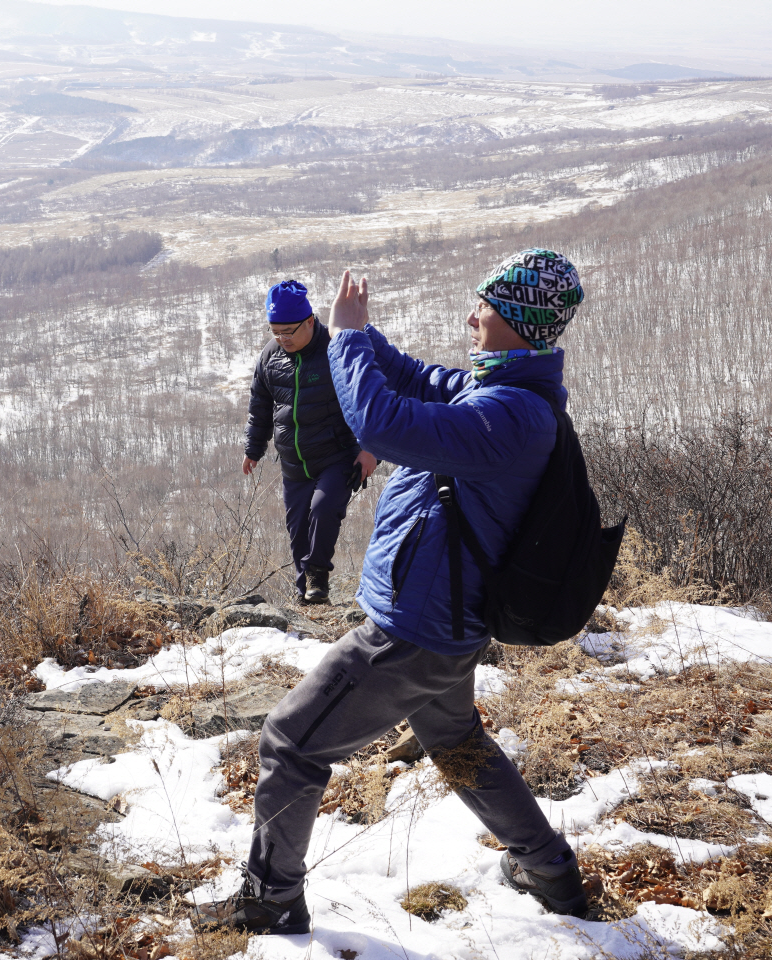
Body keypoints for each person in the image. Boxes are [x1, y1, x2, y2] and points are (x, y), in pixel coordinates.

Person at [201, 250, 589, 934]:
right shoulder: (494, 391)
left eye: (487, 309)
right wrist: (352, 332)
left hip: (413, 631)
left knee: (292, 742)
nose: (472, 316)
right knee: (459, 745)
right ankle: (549, 870)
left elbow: (382, 424)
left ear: (521, 325)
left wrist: (348, 340)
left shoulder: (511, 417)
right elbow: (410, 377)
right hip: (443, 626)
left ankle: (270, 899)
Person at [244, 280, 376, 605]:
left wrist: (370, 449)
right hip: (293, 462)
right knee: (298, 530)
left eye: (289, 331)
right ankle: (308, 598)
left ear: (309, 321)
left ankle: (318, 574)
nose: (282, 338)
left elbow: (370, 397)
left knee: (324, 508)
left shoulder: (335, 348)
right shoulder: (270, 357)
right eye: (276, 331)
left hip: (337, 454)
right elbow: (260, 406)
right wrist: (253, 449)